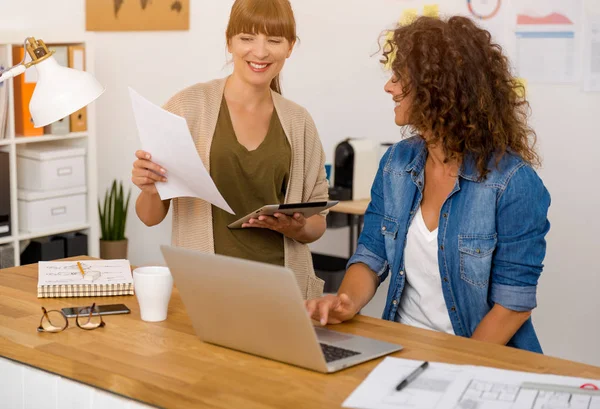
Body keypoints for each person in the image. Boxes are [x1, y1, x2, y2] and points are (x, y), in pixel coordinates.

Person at [306, 16, 551, 353]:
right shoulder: (397, 163)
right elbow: (370, 255)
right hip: (401, 348)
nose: (388, 87)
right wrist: (345, 301)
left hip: (477, 357)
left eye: (399, 77)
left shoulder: (512, 183)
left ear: (437, 90)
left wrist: (453, 369)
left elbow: (513, 306)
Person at [131, 0, 329, 300]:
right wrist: (149, 188)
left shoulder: (298, 121)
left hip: (283, 292)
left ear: (289, 47)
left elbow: (318, 222)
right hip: (205, 288)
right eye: (247, 38)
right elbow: (149, 217)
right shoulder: (187, 107)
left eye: (274, 40)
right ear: (229, 41)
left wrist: (296, 228)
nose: (260, 52)